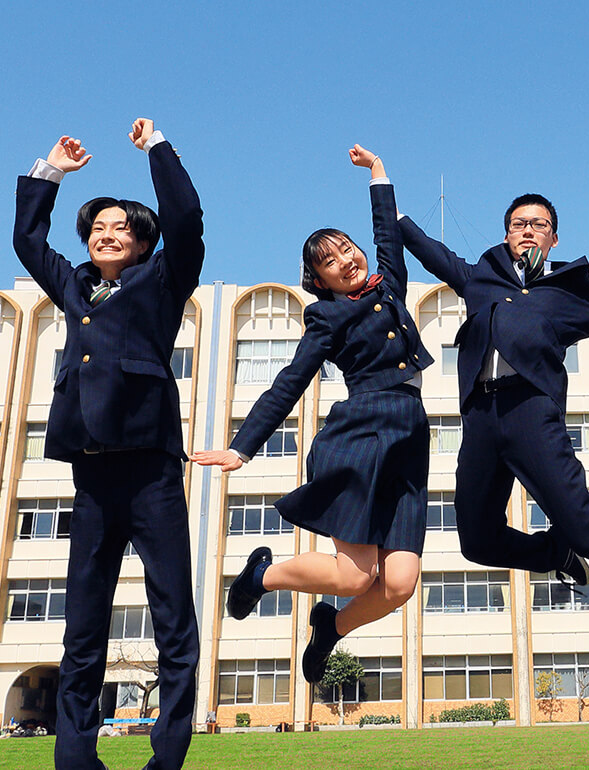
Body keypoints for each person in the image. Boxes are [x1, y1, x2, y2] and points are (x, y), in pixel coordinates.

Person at [193, 145, 432, 685]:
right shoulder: (326, 317)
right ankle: (263, 575)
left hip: (409, 442)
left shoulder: (388, 285)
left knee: (398, 584)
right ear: (319, 280)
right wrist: (242, 446)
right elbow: (290, 382)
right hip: (361, 437)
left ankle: (330, 629)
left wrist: (378, 174)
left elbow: (388, 239)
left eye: (348, 249)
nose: (348, 260)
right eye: (332, 260)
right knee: (354, 576)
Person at [14, 118, 202, 770]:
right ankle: (76, 760)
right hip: (90, 475)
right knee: (82, 629)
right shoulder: (72, 288)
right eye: (98, 227)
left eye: (121, 226)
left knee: (173, 617)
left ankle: (167, 757)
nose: (105, 233)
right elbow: (27, 239)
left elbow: (186, 218)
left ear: (144, 244)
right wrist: (54, 172)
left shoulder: (162, 280)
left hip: (151, 472)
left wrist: (157, 149)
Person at [397, 175, 589, 595]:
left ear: (554, 238)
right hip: (480, 416)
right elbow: (429, 251)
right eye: (518, 223)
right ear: (507, 233)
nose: (528, 230)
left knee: (584, 528)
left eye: (539, 224)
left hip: (532, 411)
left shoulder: (575, 291)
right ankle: (556, 556)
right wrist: (383, 191)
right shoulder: (482, 276)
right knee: (476, 541)